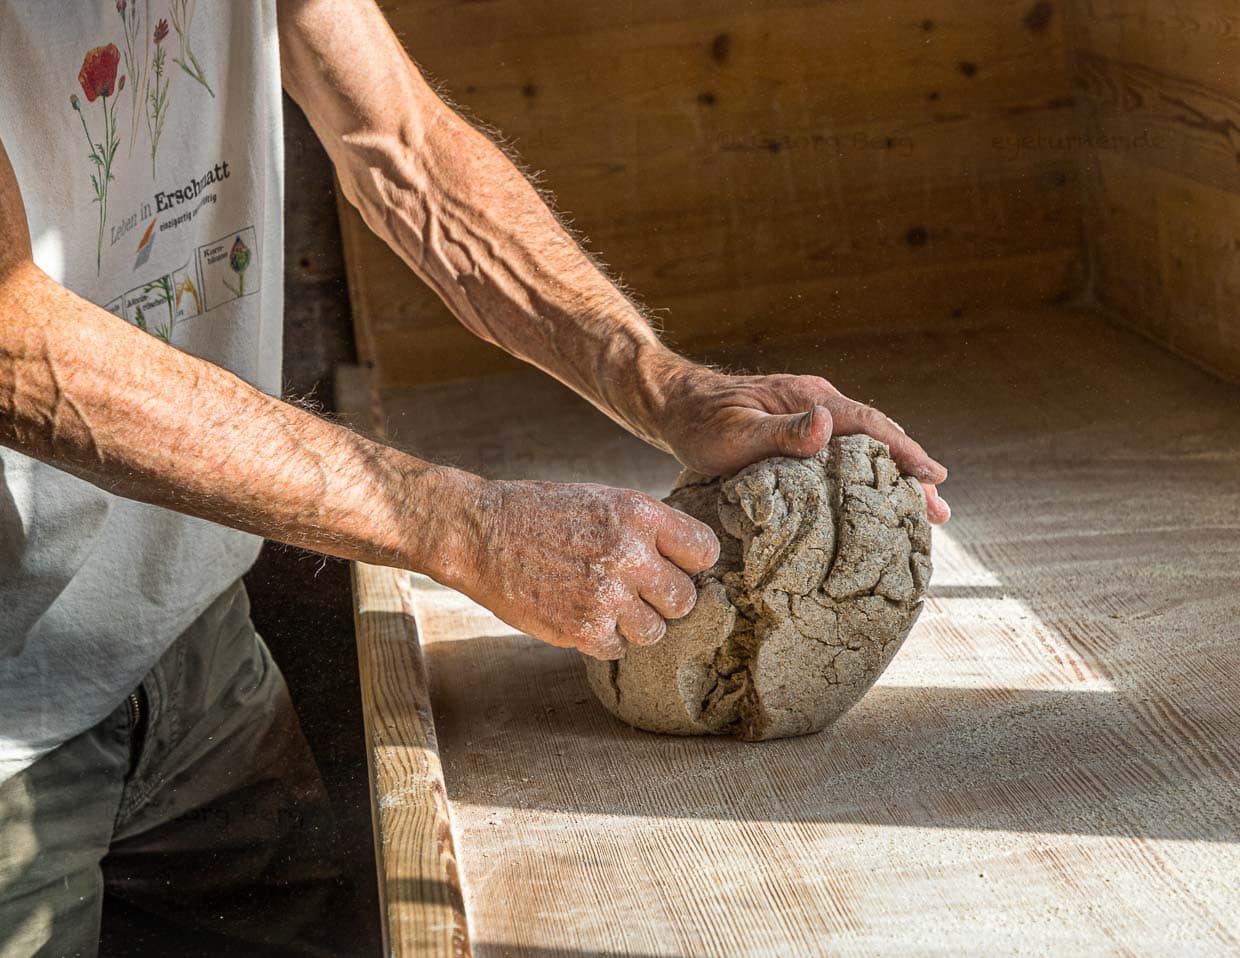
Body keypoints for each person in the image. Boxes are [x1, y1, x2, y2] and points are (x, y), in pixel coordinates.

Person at [0, 0, 950, 954]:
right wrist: (466, 526)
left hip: (187, 632)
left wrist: (667, 387)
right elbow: (14, 345)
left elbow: (402, 147)